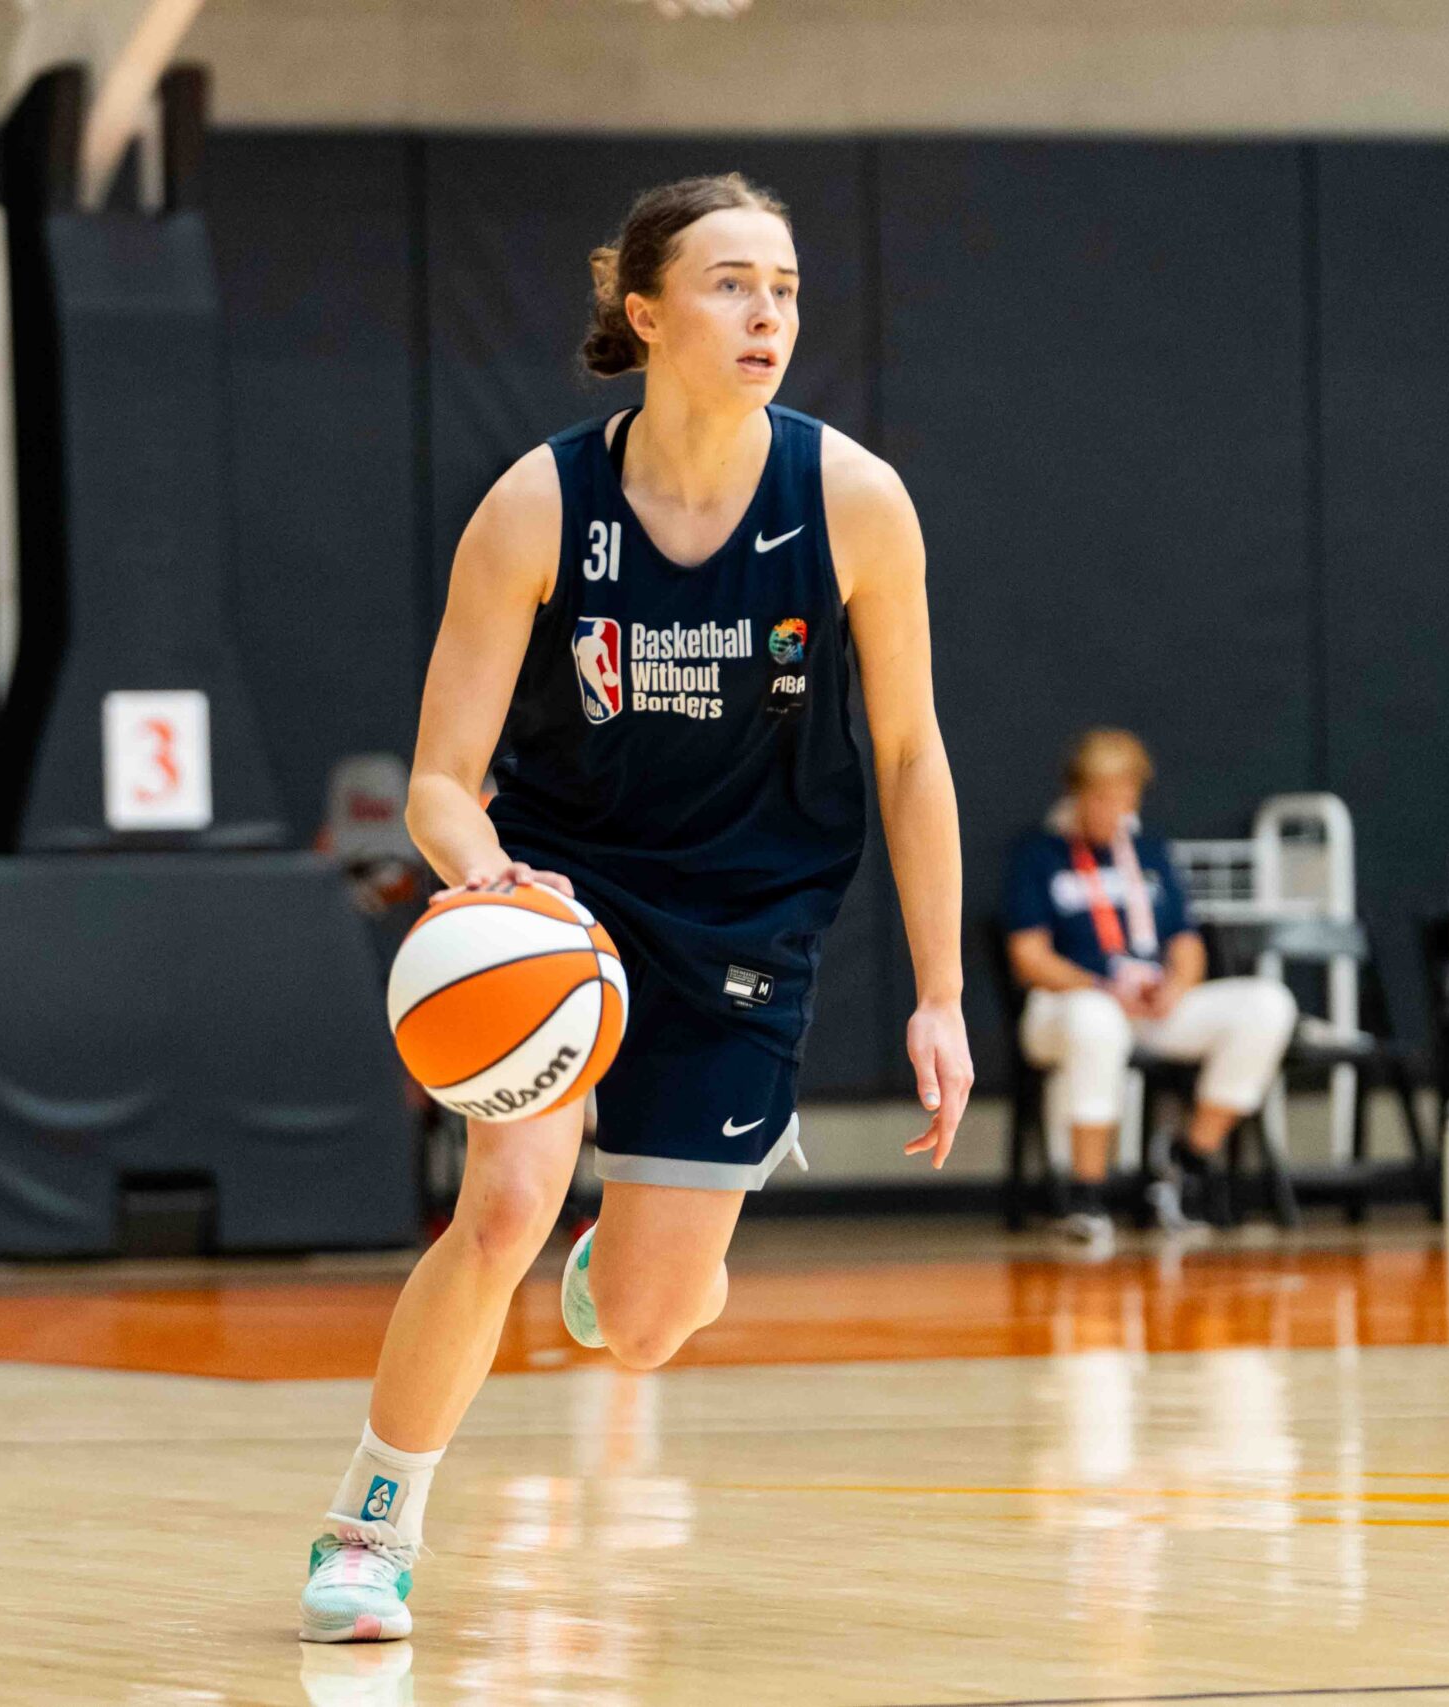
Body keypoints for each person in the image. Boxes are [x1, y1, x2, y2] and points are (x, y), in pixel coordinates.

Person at [298, 174, 971, 1642]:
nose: (768, 312)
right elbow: (436, 780)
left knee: (653, 1323)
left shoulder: (851, 499)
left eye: (786, 286)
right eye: (733, 283)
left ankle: (636, 1253)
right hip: (563, 899)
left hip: (750, 915)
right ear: (648, 312)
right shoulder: (540, 502)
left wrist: (940, 991)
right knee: (504, 1207)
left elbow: (913, 756)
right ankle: (370, 1519)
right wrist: (485, 874)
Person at [1004, 729, 1298, 1252]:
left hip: (1147, 1006)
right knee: (1094, 1019)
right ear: (1077, 794)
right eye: (1102, 797)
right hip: (1068, 1005)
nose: (1115, 810)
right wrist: (1097, 984)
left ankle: (1187, 1166)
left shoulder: (1151, 852)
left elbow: (1187, 942)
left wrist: (1176, 986)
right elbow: (1029, 957)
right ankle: (1086, 1197)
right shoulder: (1039, 855)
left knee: (1267, 1004)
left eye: (1125, 798)